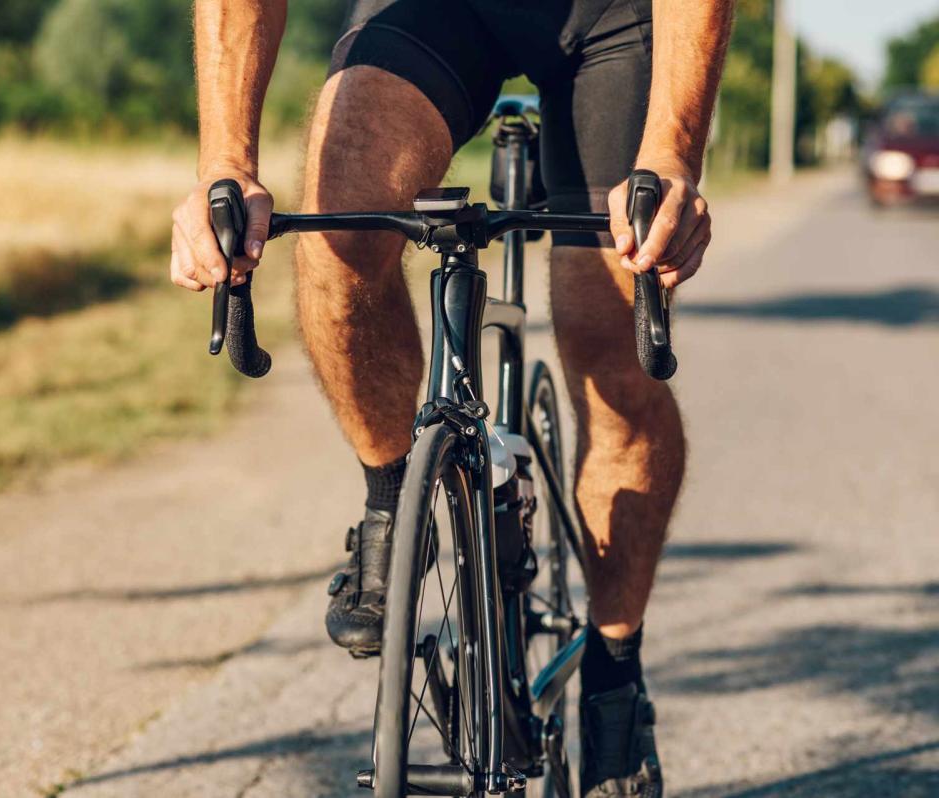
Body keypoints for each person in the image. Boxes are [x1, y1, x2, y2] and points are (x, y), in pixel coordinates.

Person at [171, 1, 733, 794]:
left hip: (618, 18)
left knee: (611, 343)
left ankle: (613, 678)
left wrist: (672, 159)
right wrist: (224, 164)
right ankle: (393, 499)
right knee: (338, 229)